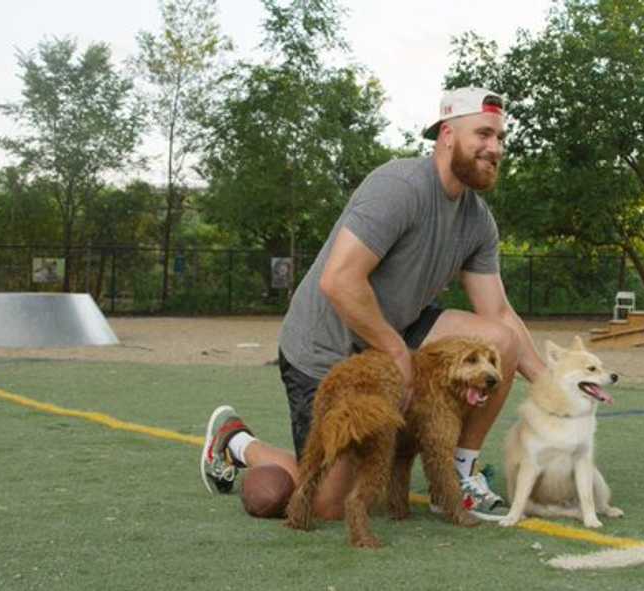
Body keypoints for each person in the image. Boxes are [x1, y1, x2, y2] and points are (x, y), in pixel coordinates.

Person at [200, 87, 547, 520]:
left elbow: (497, 313)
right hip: (326, 350)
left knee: (500, 341)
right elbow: (340, 281)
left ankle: (457, 476)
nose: (495, 148)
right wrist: (397, 353)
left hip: (394, 330)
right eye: (483, 134)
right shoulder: (398, 186)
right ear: (446, 135)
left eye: (500, 137)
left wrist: (553, 385)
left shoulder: (477, 220)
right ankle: (236, 442)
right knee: (328, 506)